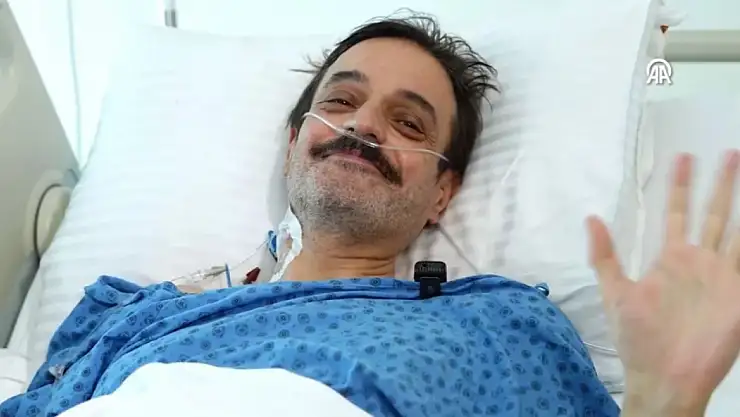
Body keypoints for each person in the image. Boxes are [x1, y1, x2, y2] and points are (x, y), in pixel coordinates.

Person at [2, 12, 739, 417]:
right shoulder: (141, 317)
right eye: (341, 101)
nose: (363, 126)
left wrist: (668, 402)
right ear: (294, 144)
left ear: (442, 193)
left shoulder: (500, 326)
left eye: (409, 122)